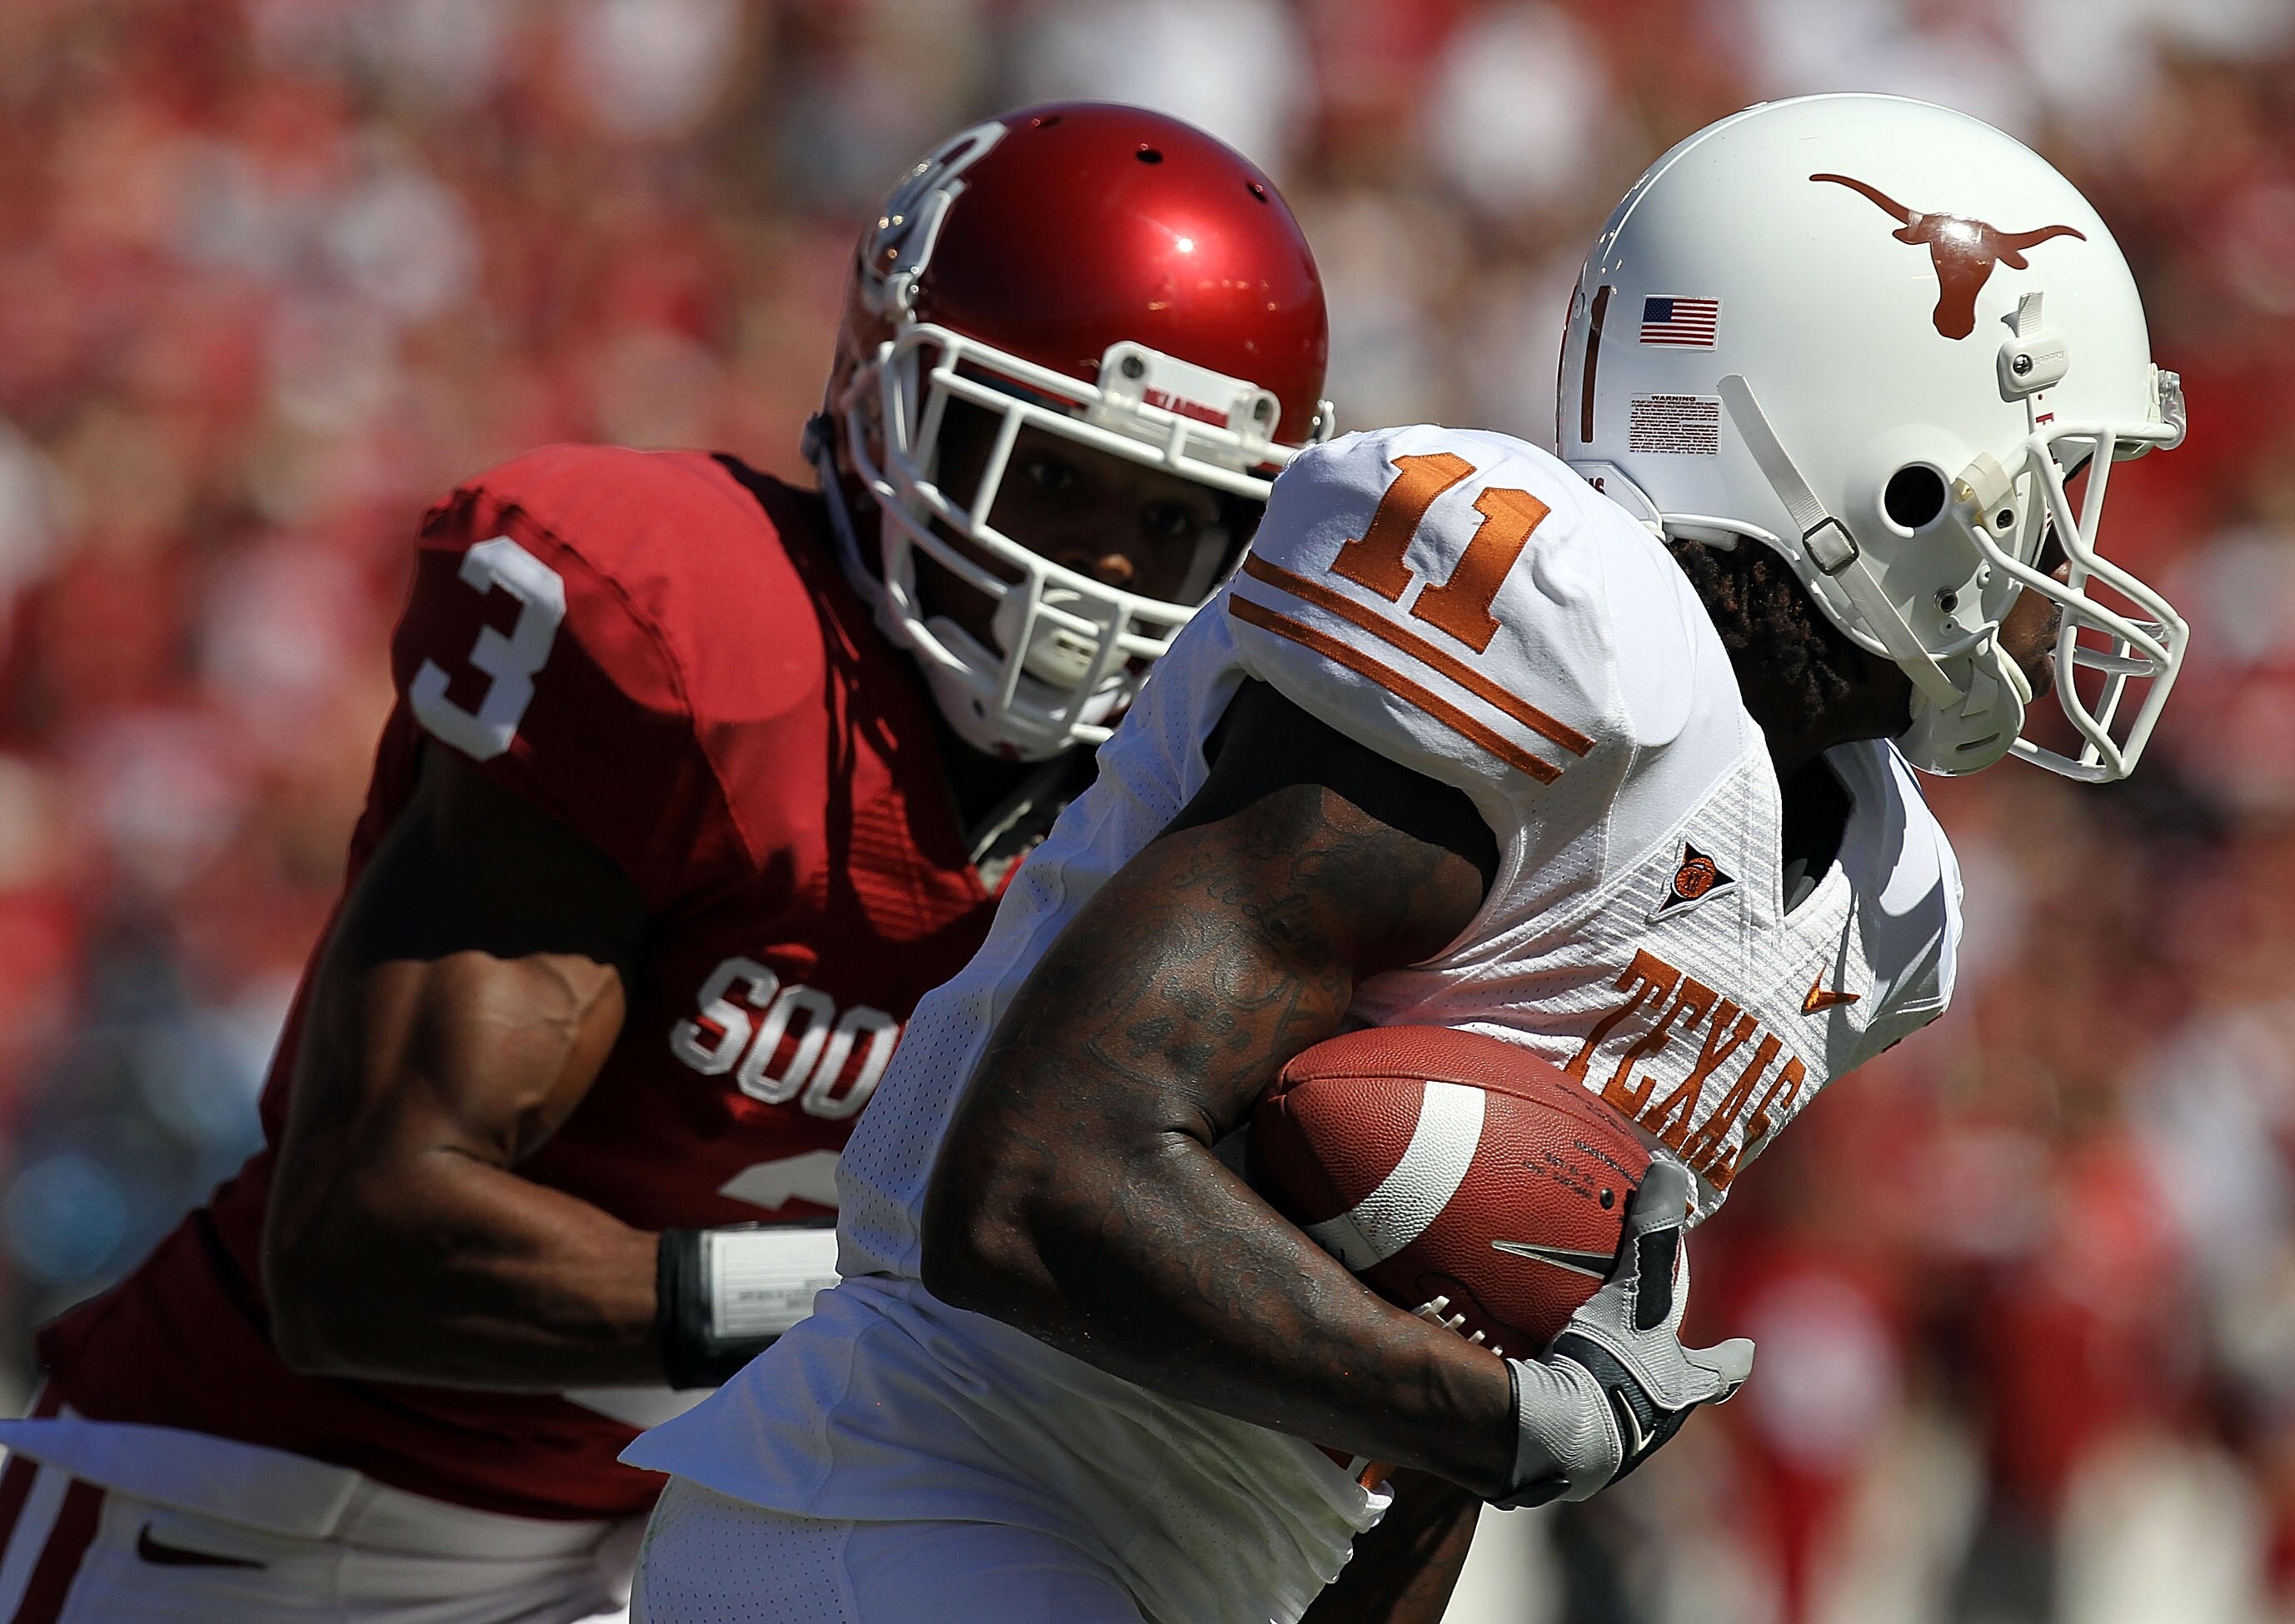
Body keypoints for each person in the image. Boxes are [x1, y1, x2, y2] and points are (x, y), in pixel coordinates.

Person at [626, 92, 2196, 1624]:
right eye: (2050, 487)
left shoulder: (1887, 905)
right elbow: (1042, 1177)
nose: (2065, 560)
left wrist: (1489, 1421)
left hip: (1229, 1564)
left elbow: (1450, 1403)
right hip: (935, 1488)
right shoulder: (1563, 619)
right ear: (1885, 454)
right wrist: (1505, 1420)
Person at [0, 105, 1345, 1623]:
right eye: (1049, 478)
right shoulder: (675, 638)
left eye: (1173, 518)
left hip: (665, 1550)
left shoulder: (1184, 798)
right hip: (257, 1522)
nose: (1101, 568)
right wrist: (867, 1293)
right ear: (889, 397)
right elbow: (361, 1247)